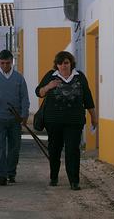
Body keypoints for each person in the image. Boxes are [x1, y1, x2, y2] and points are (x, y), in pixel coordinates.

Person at [35, 51, 97, 190]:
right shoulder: (51, 76)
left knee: (73, 151)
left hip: (74, 121)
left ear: (71, 63)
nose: (63, 66)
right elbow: (38, 92)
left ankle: (74, 181)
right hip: (53, 121)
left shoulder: (79, 77)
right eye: (61, 63)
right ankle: (54, 177)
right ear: (57, 65)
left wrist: (93, 116)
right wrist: (48, 86)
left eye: (66, 63)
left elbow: (87, 97)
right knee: (54, 150)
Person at [0, 49, 30, 186]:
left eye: (7, 63)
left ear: (12, 62)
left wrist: (24, 114)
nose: (5, 66)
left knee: (15, 147)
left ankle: (11, 172)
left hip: (15, 118)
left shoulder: (19, 78)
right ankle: (1, 174)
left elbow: (24, 98)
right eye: (2, 63)